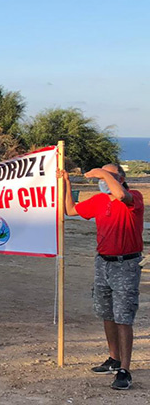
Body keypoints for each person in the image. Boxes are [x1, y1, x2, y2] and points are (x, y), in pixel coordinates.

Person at [60, 164, 144, 390]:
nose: (103, 180)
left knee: (123, 316)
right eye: (102, 176)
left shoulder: (133, 197)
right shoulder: (99, 201)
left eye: (110, 176)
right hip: (103, 262)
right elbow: (70, 210)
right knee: (106, 312)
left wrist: (102, 173)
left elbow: (120, 194)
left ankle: (125, 370)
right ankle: (114, 359)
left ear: (122, 178)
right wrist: (66, 182)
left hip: (125, 263)